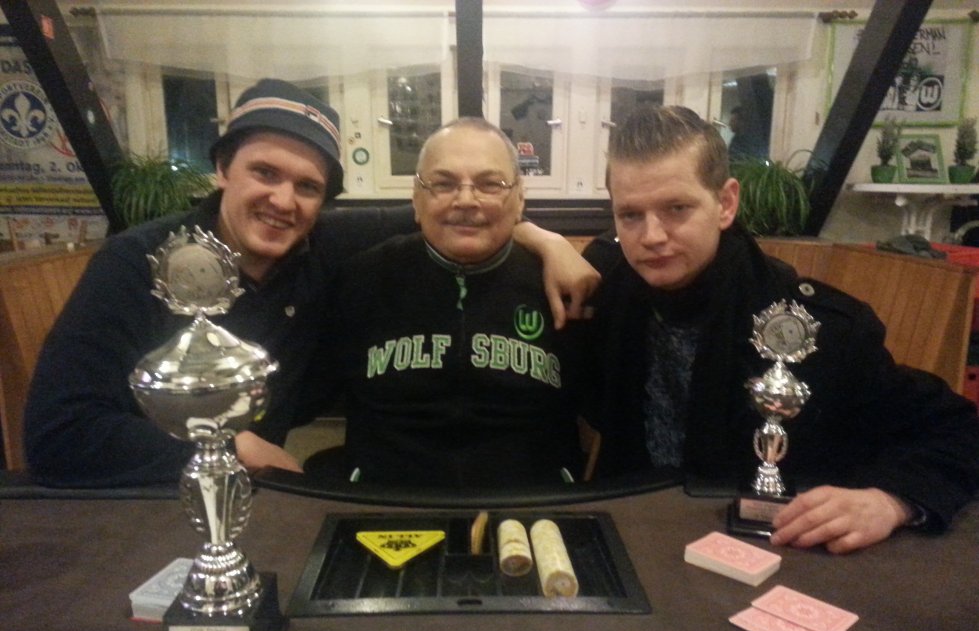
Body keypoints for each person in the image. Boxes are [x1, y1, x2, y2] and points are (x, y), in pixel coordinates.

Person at [24, 80, 597, 488]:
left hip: (260, 497)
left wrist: (544, 240)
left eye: (307, 186)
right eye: (264, 173)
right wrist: (230, 447)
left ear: (324, 202)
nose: (283, 200)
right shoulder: (136, 262)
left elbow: (457, 216)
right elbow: (57, 434)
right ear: (222, 169)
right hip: (138, 496)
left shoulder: (324, 245)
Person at [582, 106, 979, 554]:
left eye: (677, 208)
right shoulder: (604, 296)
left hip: (776, 552)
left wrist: (889, 501)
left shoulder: (818, 328)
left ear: (726, 204)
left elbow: (958, 430)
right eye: (631, 215)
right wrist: (540, 241)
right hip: (634, 539)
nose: (652, 236)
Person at [321, 118, 582, 487]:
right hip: (385, 502)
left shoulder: (561, 285)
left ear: (520, 198)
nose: (466, 200)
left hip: (534, 505)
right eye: (443, 184)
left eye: (490, 184)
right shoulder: (361, 279)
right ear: (416, 198)